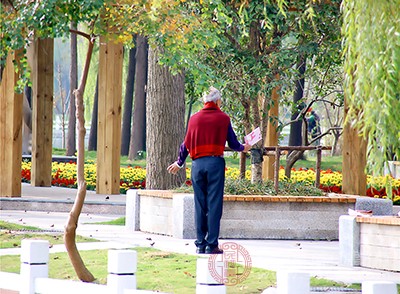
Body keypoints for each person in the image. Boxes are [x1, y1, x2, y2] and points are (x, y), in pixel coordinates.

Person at [167, 87, 251, 254]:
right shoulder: (223, 118)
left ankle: (200, 244)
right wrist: (244, 148)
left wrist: (179, 162)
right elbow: (233, 143)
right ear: (217, 101)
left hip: (197, 165)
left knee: (200, 204)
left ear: (205, 101)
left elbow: (186, 144)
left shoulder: (194, 119)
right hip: (215, 164)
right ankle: (212, 244)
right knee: (214, 204)